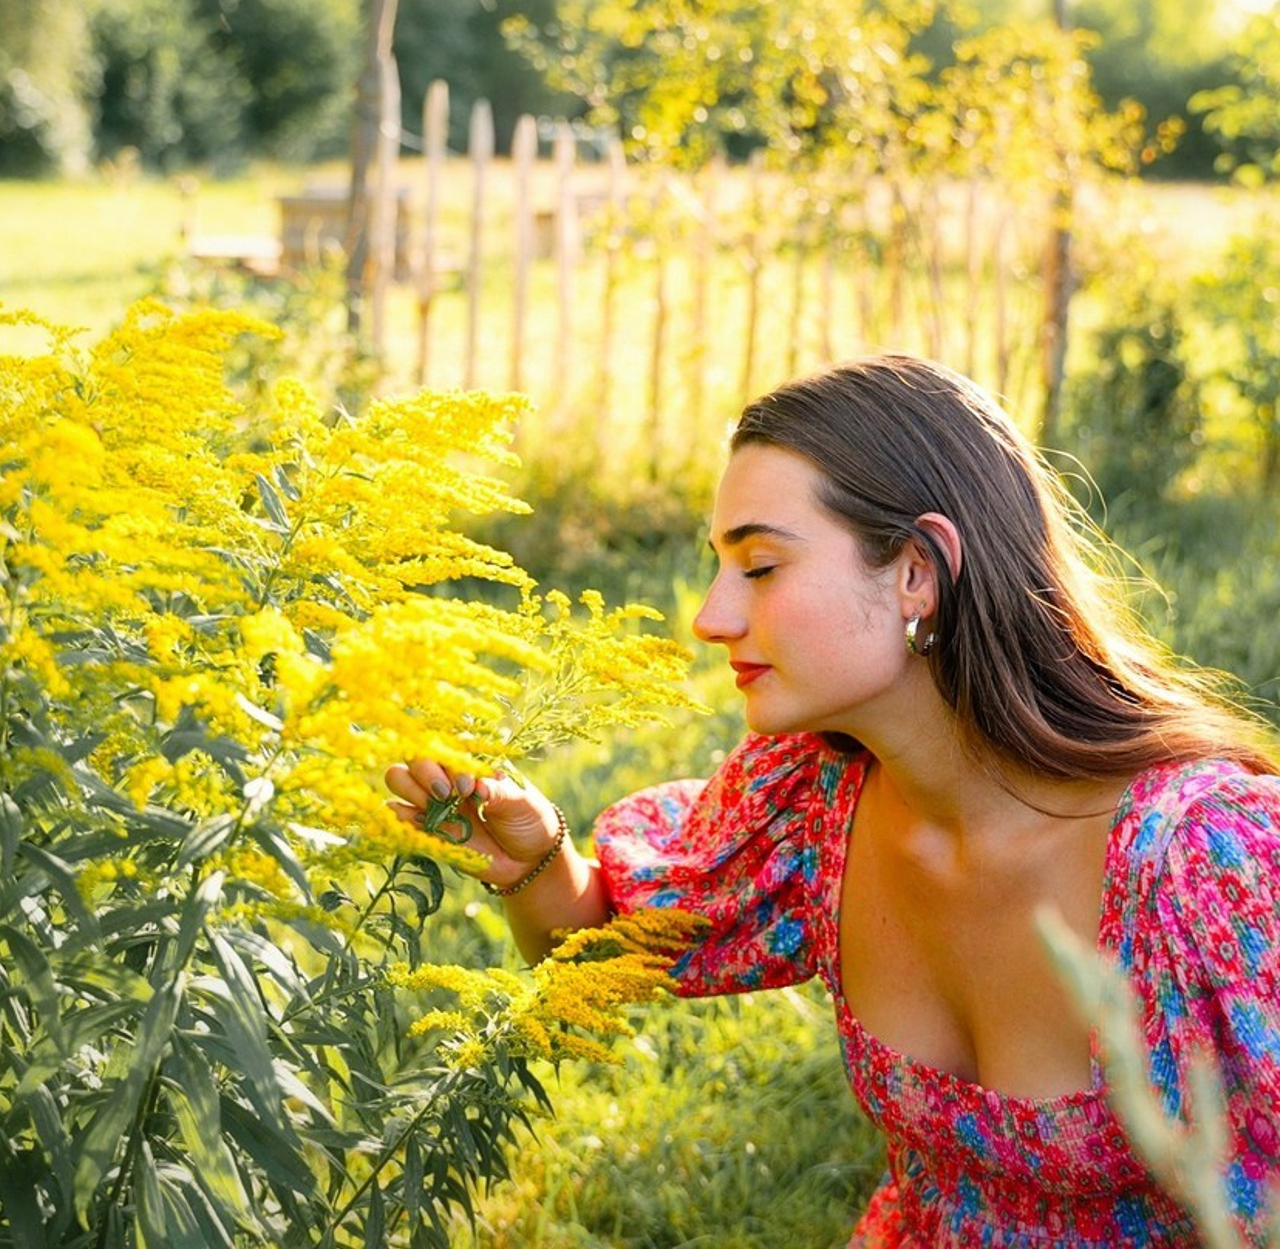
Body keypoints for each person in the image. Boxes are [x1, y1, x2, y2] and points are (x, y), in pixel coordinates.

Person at [385, 354, 1280, 1246]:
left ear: (917, 573)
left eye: (761, 566)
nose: (709, 617)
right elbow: (603, 952)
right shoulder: (817, 802)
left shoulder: (1210, 863)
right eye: (720, 567)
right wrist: (539, 859)